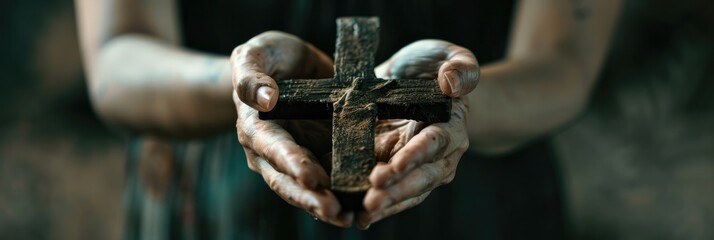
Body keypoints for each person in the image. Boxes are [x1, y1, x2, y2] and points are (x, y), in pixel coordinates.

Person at [75, 0, 621, 238]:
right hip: (220, 193)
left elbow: (564, 62)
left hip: (474, 179)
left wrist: (457, 103)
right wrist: (247, 88)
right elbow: (117, 58)